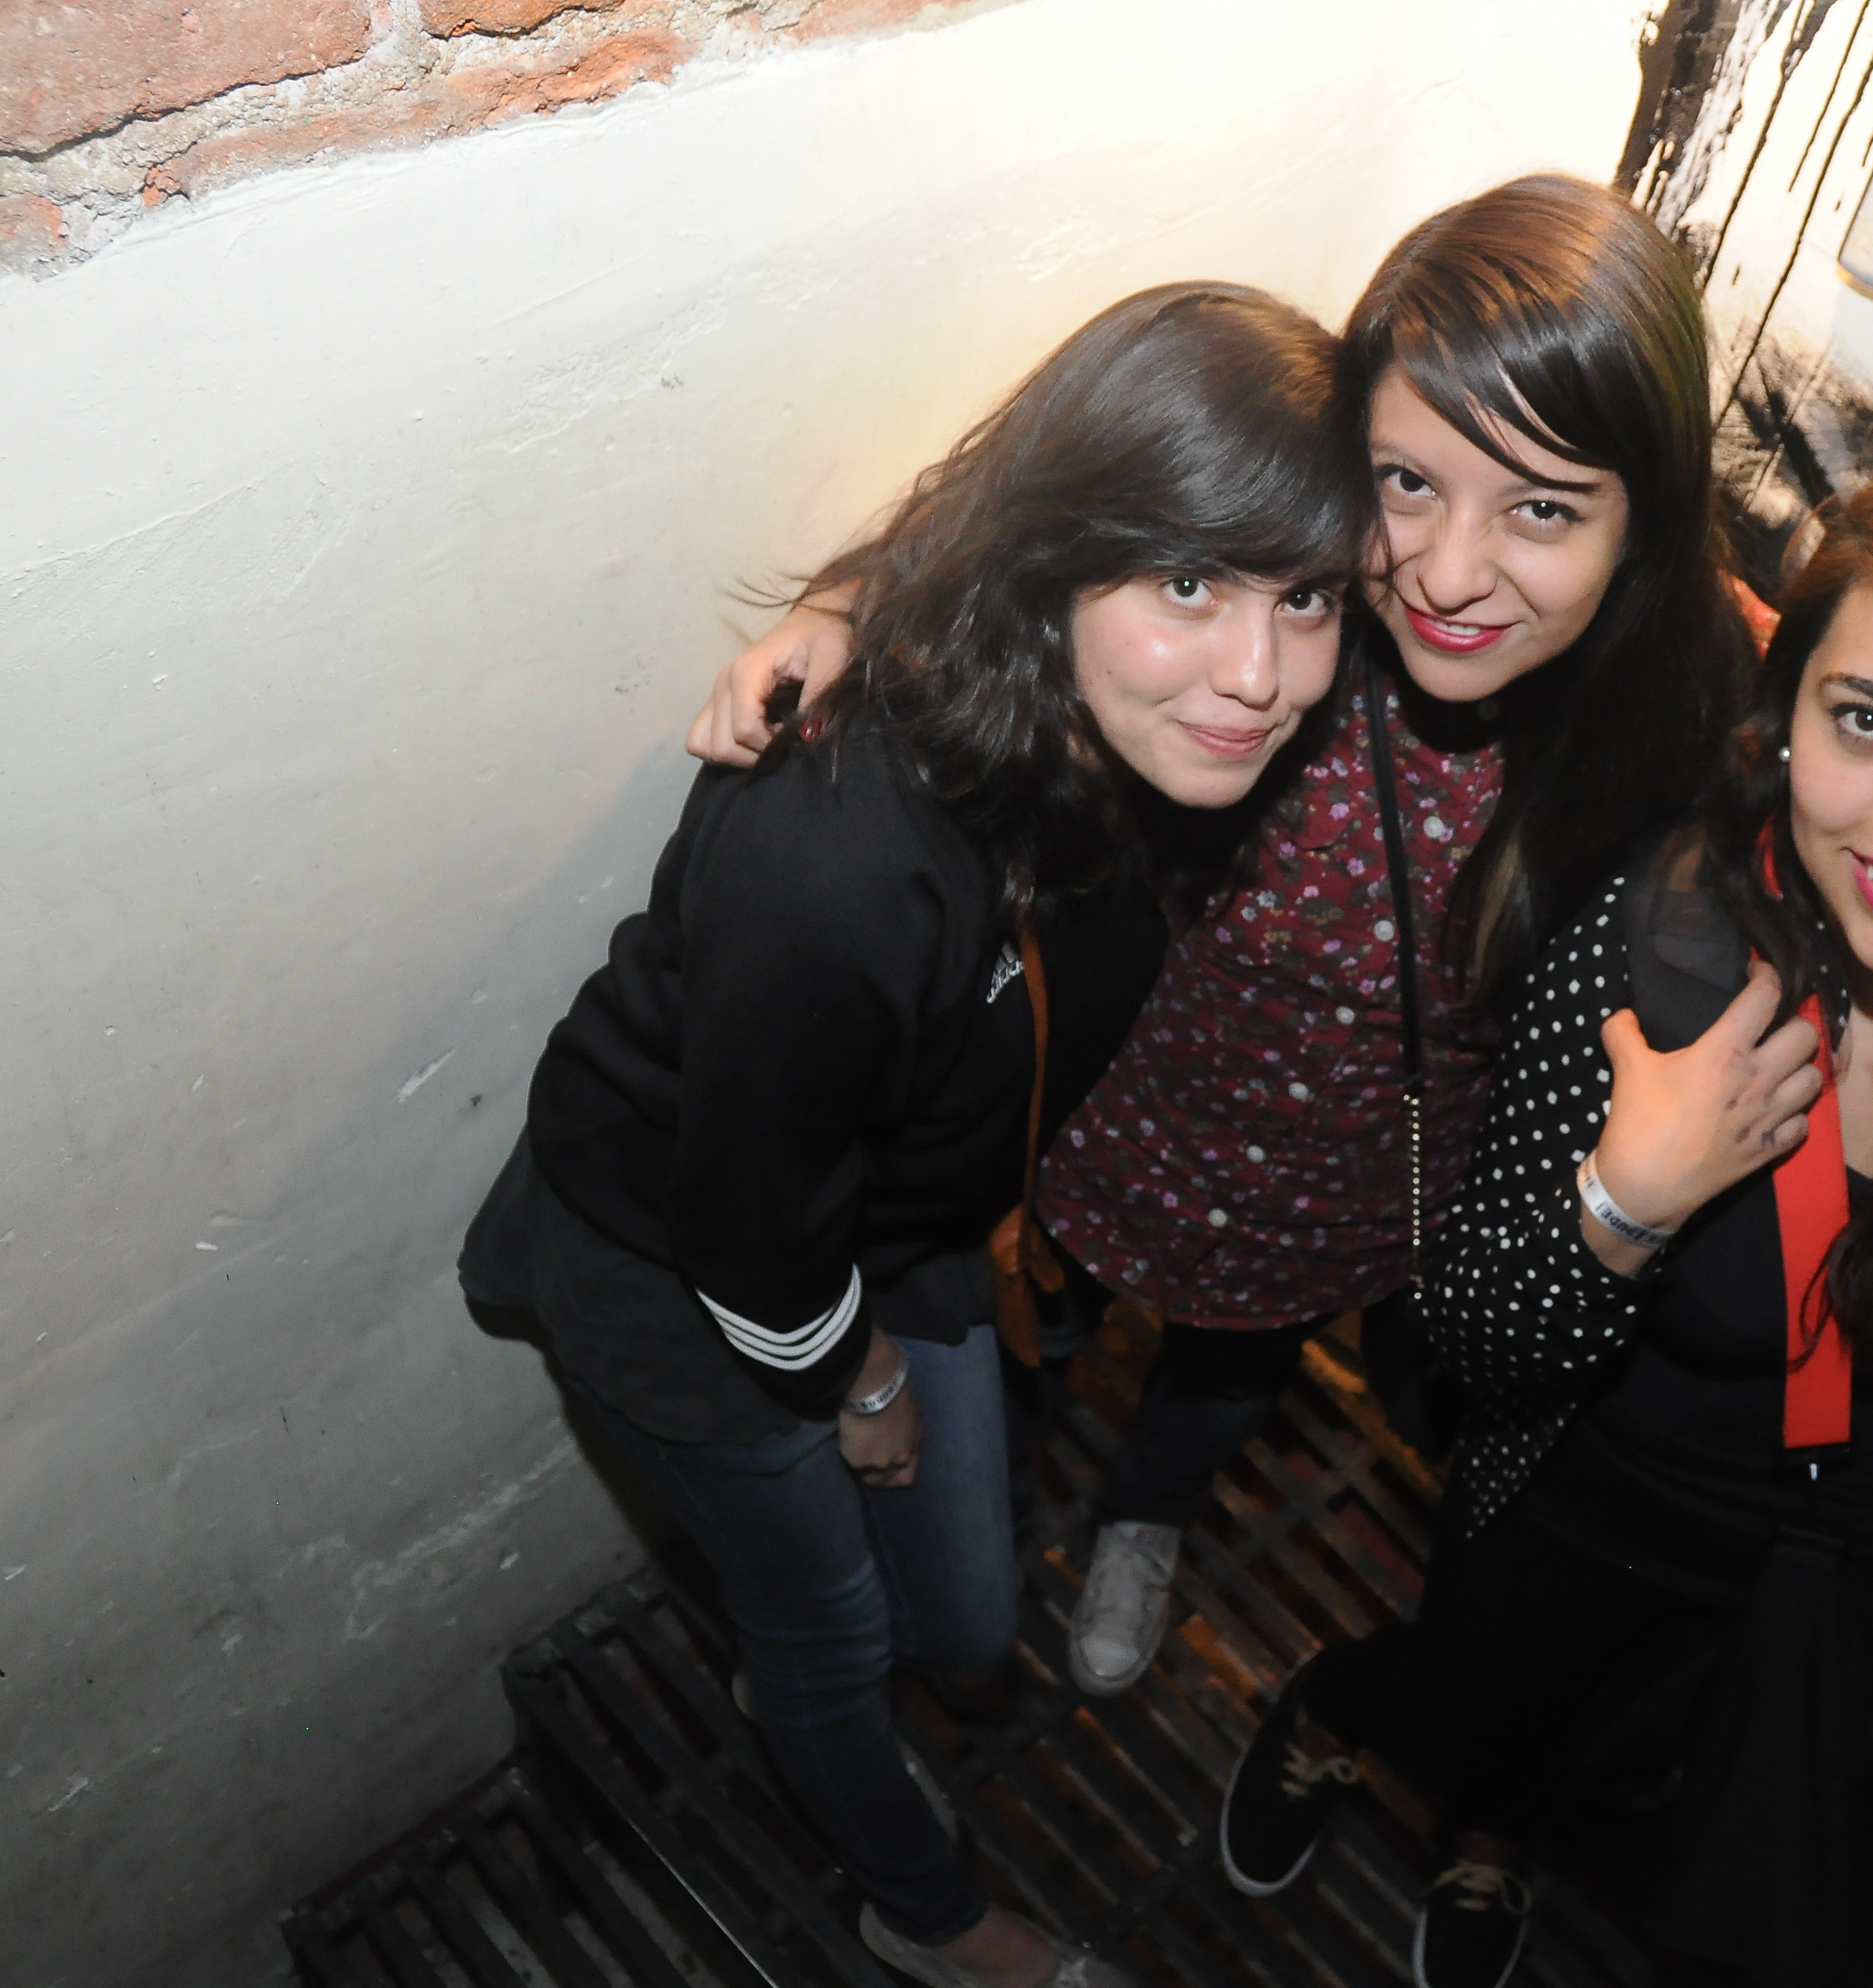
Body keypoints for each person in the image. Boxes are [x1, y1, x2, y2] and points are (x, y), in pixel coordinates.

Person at [1218, 443, 1873, 1988]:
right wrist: (1623, 1204)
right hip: (1589, 1524)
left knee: (1689, 1821)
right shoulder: (1656, 941)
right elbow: (1468, 1338)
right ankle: (1373, 1737)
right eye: (1866, 720)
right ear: (1786, 724)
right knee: (1474, 1705)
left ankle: (1511, 1833)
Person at [690, 173, 1765, 1715]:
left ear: (1641, 520)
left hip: (1360, 1169)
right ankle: (994, 1521)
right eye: (1405, 484)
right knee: (1030, 1343)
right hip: (1117, 1103)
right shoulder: (1288, 601)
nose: (1448, 574)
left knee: (1222, 1376)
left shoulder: (1684, 699)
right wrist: (849, 604)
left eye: (1541, 508)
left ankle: (1145, 1516)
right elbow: (1056, 526)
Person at [458, 281, 1367, 1988]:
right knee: (832, 1623)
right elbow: (745, 1231)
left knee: (960, 1616)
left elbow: (970, 539)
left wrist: (846, 594)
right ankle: (923, 1908)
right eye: (1189, 585)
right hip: (690, 1262)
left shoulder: (1116, 721)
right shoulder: (841, 850)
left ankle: (827, 1678)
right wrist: (858, 1379)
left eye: (1305, 597)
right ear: (1059, 561)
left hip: (890, 1225)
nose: (1261, 679)